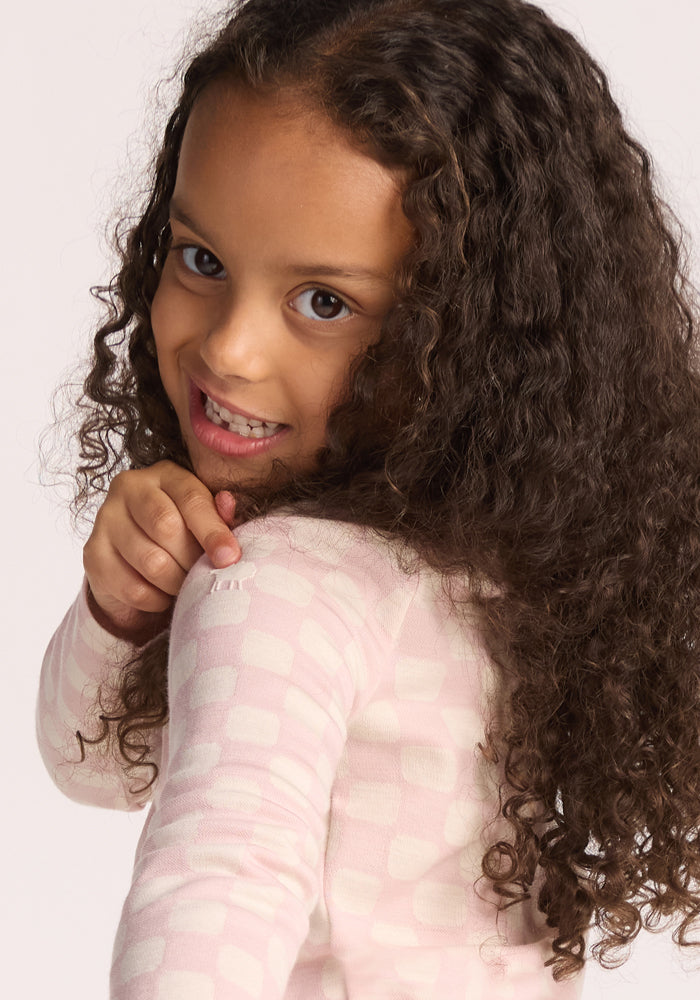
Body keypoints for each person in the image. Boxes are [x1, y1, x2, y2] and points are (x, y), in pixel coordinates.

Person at [36, 0, 700, 997]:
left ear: (471, 336)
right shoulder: (528, 567)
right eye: (201, 259)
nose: (228, 348)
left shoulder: (277, 582)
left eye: (324, 303)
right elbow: (109, 769)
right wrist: (123, 620)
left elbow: (214, 891)